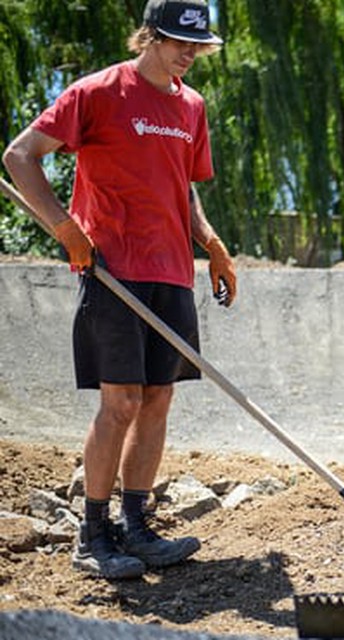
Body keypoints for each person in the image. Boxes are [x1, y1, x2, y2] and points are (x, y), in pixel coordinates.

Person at [2, 0, 235, 579]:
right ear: (149, 37)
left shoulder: (192, 106)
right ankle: (93, 533)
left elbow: (183, 185)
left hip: (171, 270)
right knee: (121, 402)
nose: (189, 53)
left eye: (197, 45)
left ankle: (136, 526)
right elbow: (20, 156)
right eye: (179, 42)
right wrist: (65, 229)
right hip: (112, 269)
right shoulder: (99, 92)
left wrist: (211, 243)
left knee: (158, 399)